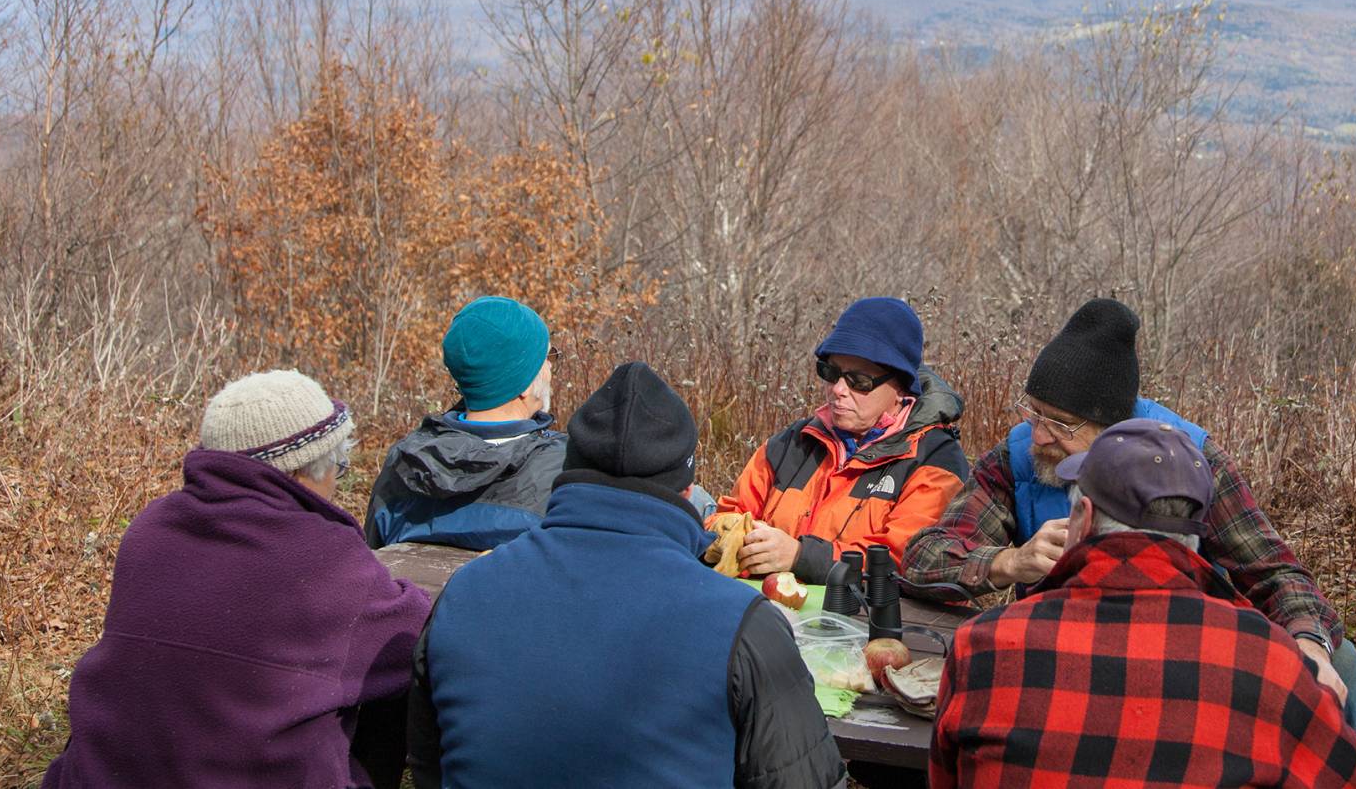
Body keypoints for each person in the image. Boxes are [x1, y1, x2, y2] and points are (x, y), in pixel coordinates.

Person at [904, 297, 1356, 732]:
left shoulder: (1188, 462)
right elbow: (925, 556)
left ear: (1114, 426)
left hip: (1178, 647)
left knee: (1343, 661)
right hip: (1058, 645)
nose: (1040, 435)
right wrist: (1008, 562)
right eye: (1034, 412)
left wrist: (1310, 643)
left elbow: (1276, 572)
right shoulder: (1022, 455)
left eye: (1061, 424)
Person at [406, 361, 845, 789]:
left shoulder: (463, 593)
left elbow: (429, 765)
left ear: (568, 469)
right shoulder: (742, 624)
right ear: (689, 492)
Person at [929, 420, 1356, 789]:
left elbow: (944, 778)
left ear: (1082, 517)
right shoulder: (1267, 664)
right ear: (1197, 537)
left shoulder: (982, 649)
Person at [44, 370, 432, 789]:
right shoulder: (322, 554)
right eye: (337, 465)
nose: (337, 479)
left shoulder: (150, 527)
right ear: (306, 471)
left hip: (101, 775)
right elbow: (416, 638)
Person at [366, 296, 711, 549]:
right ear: (522, 384)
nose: (550, 368)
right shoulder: (565, 468)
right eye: (546, 358)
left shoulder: (404, 463)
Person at [710, 296, 969, 582]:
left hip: (866, 623)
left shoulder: (934, 460)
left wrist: (799, 557)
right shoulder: (791, 444)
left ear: (901, 387)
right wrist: (730, 531)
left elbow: (906, 561)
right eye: (830, 373)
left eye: (859, 380)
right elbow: (728, 514)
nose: (838, 389)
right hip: (770, 613)